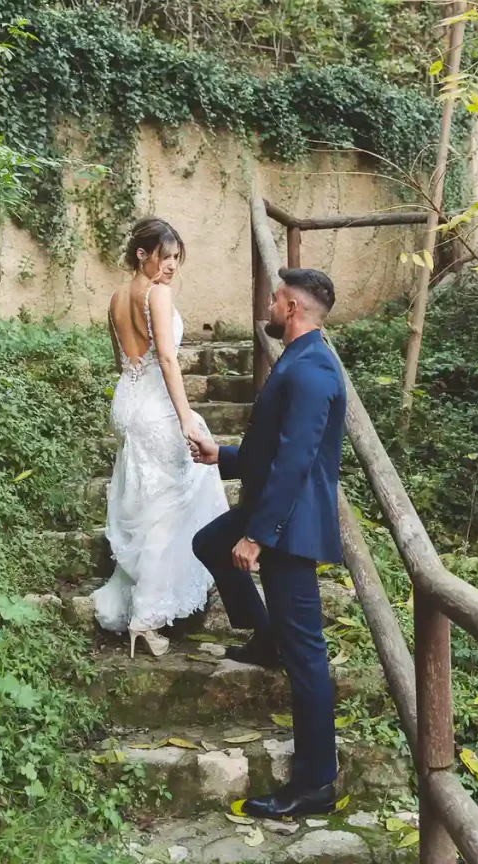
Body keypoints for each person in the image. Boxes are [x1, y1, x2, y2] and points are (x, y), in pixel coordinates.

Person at [190, 267, 346, 820]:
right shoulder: (298, 360)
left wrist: (258, 536)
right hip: (272, 511)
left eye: (277, 299)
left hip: (289, 527)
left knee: (307, 657)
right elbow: (271, 448)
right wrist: (224, 457)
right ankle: (264, 636)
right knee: (210, 542)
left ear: (294, 309)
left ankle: (316, 783)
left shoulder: (313, 370)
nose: (270, 307)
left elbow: (296, 460)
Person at [92, 217, 228, 657]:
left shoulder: (116, 298)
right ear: (142, 254)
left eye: (175, 259)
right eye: (165, 257)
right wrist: (186, 417)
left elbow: (121, 361)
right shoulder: (158, 294)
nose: (171, 266)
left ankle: (136, 603)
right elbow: (167, 360)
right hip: (155, 408)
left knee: (146, 499)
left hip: (127, 403)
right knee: (171, 504)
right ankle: (148, 615)